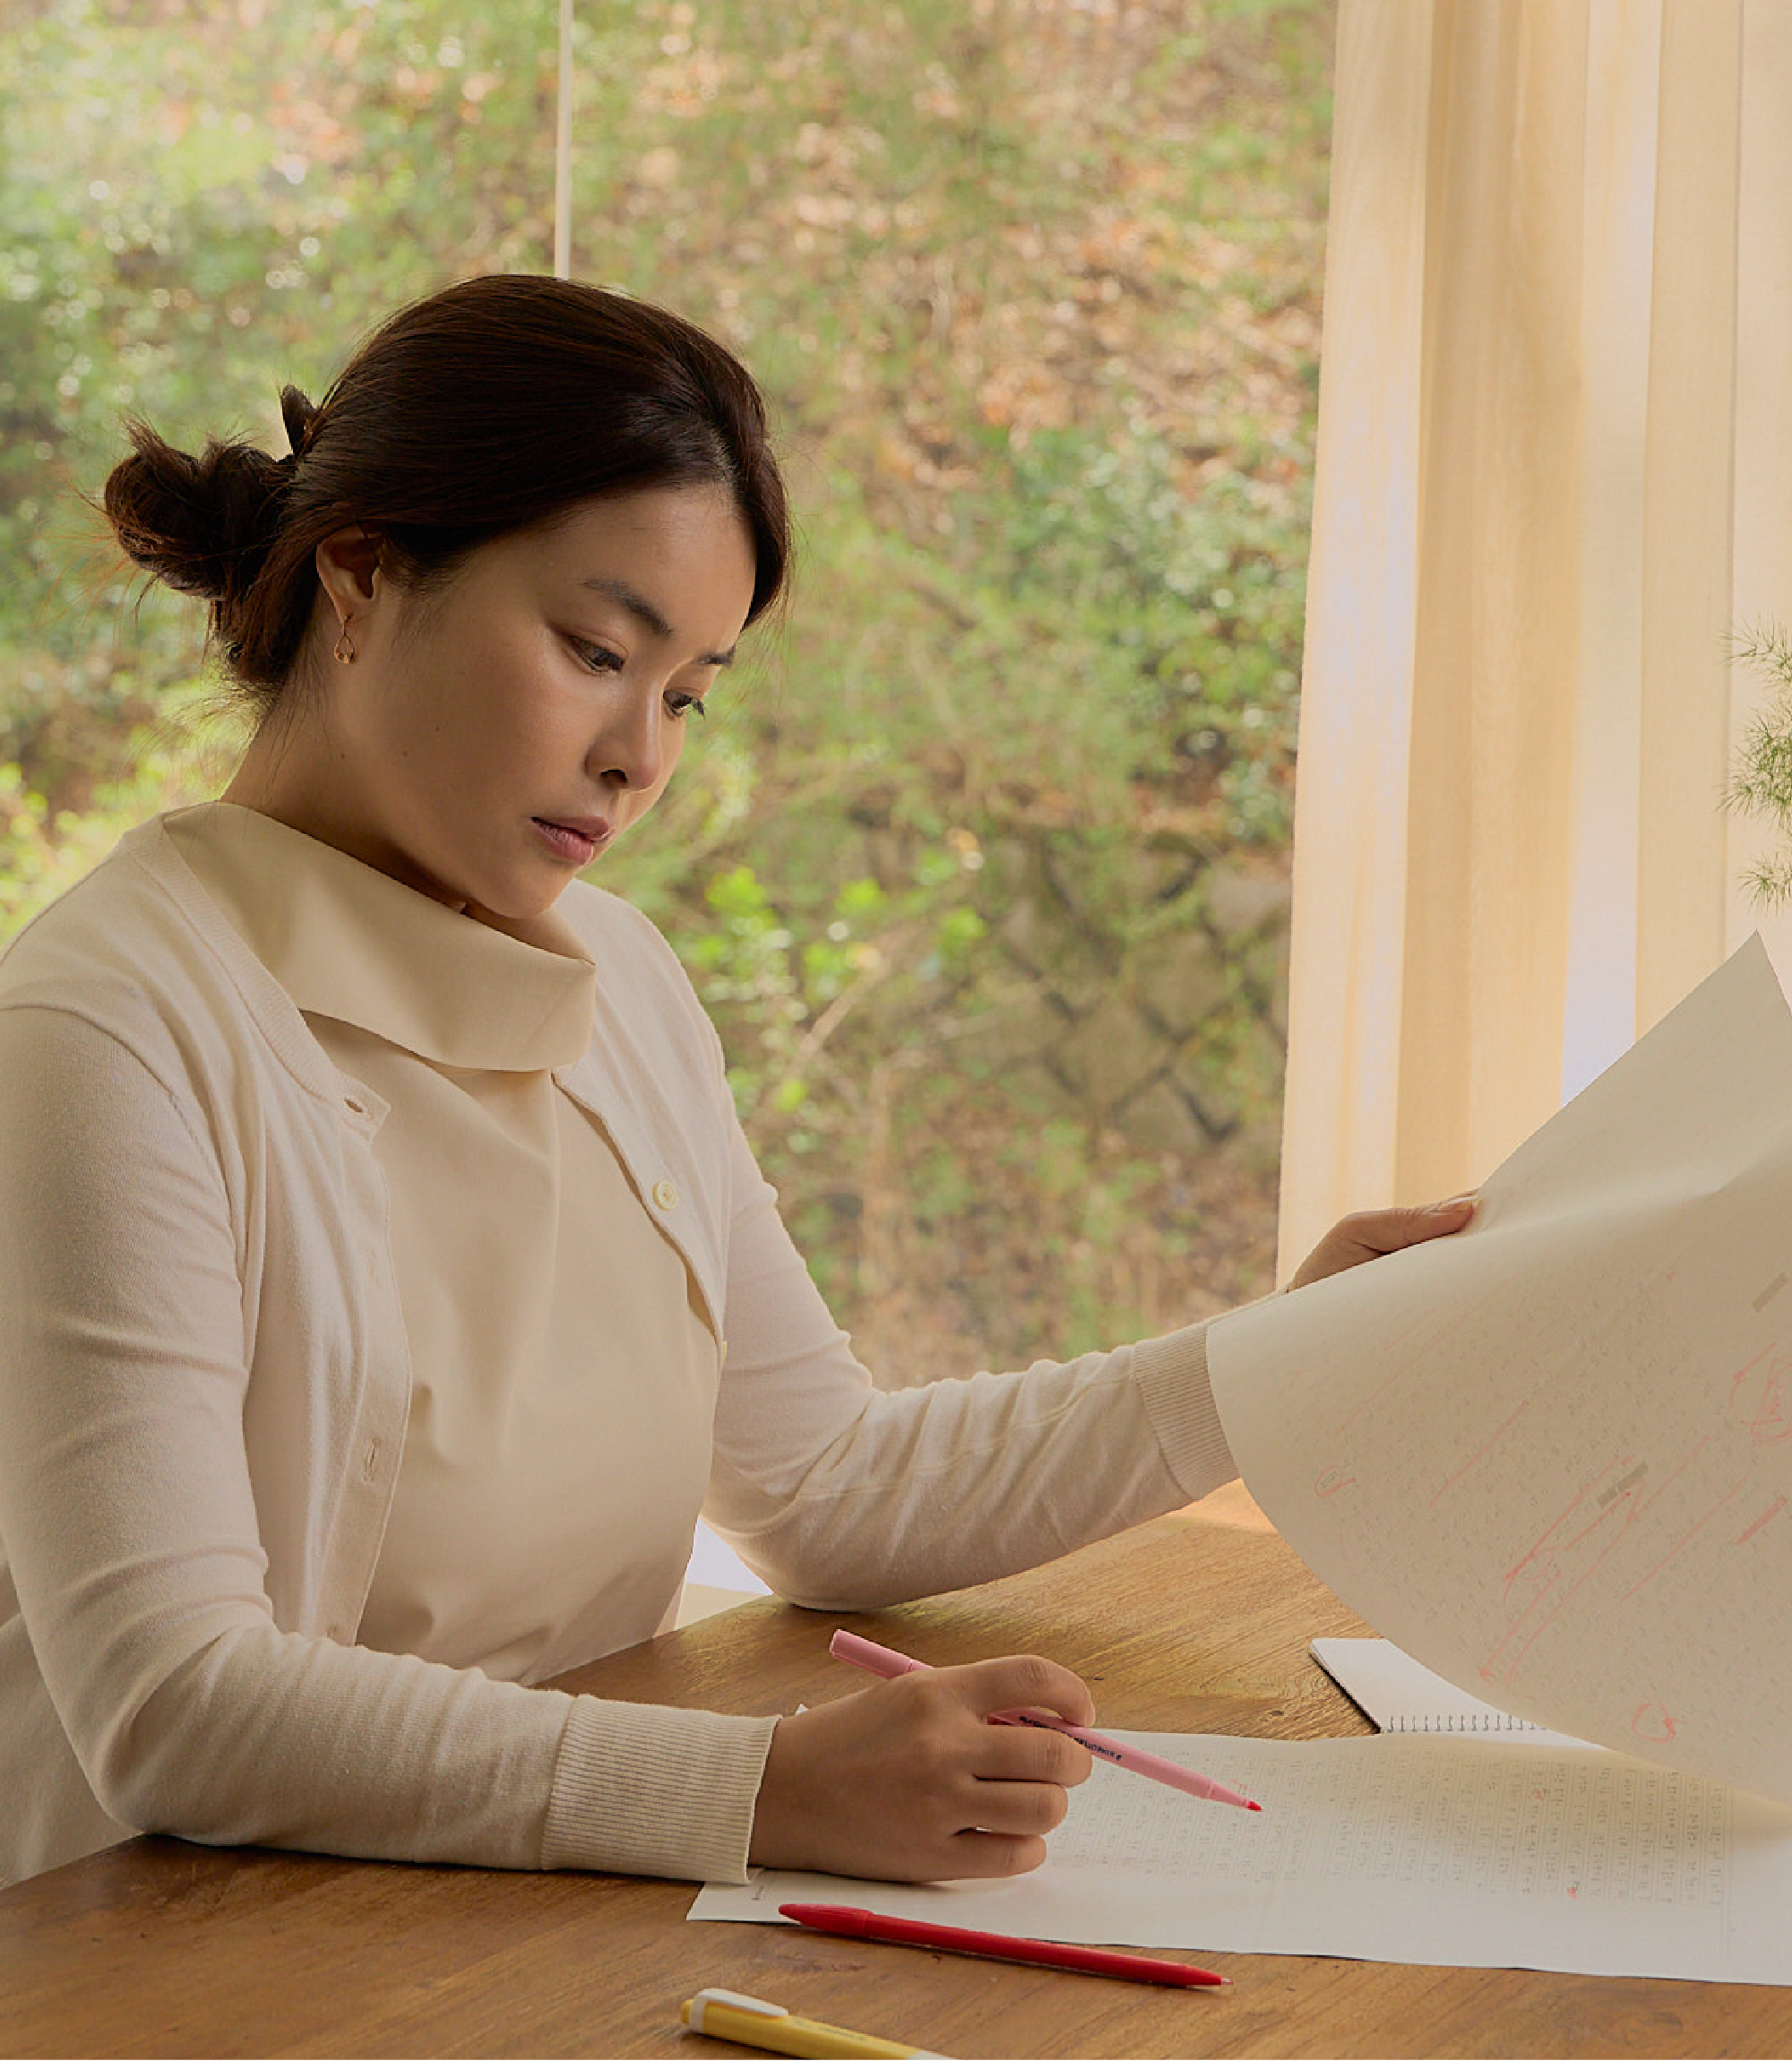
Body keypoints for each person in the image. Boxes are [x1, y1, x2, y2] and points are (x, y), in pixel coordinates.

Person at [0, 274, 1474, 1892]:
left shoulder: (618, 979)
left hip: (527, 1932)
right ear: (359, 579)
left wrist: (1276, 1363)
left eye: (689, 693)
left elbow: (827, 1486)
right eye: (593, 651)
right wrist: (754, 1788)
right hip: (184, 1967)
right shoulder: (105, 1029)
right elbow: (175, 1705)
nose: (642, 752)